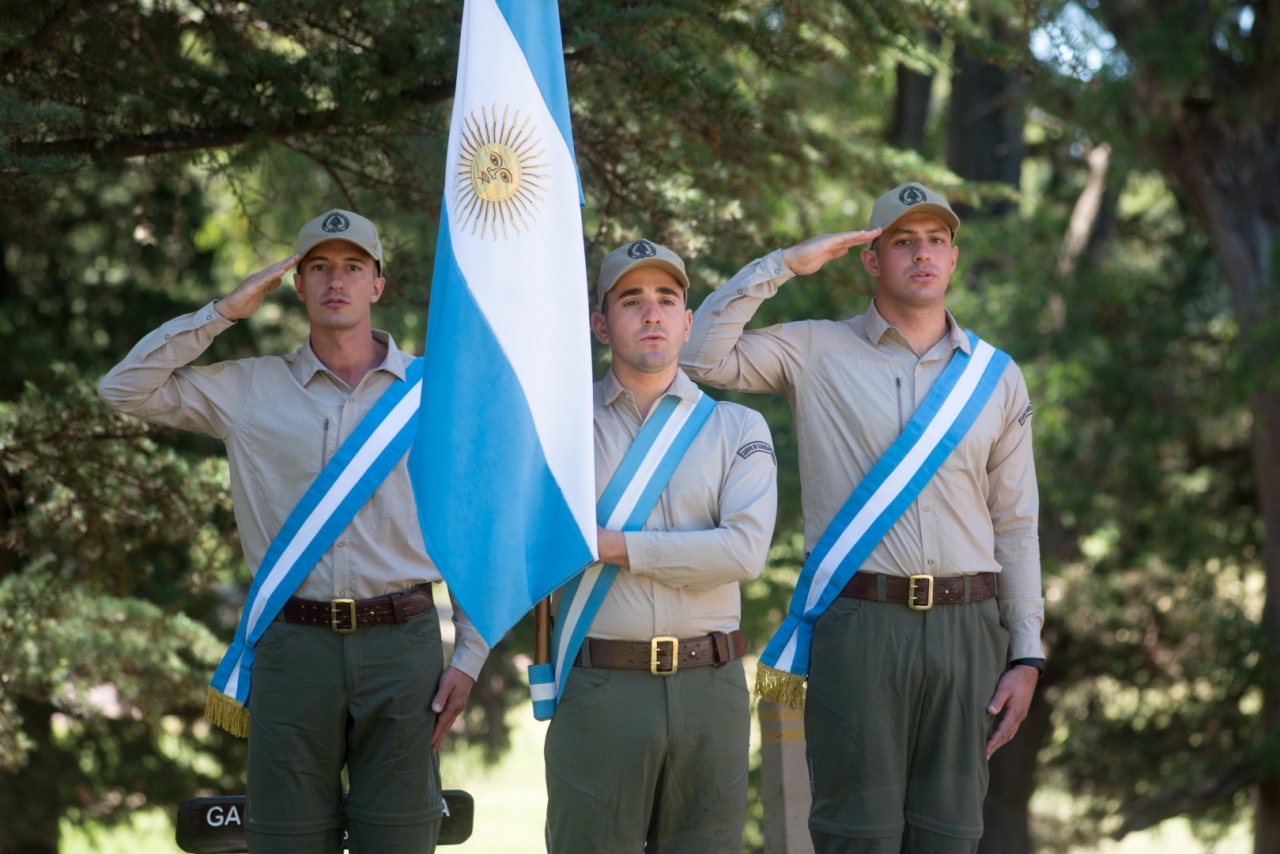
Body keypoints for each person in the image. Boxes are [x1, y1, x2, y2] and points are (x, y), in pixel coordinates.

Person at [98, 209, 489, 854]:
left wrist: (469, 655)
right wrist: (222, 312)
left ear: (377, 286)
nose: (336, 281)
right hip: (292, 648)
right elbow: (123, 389)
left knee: (399, 841)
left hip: (403, 647)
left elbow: (471, 532)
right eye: (318, 268)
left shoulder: (439, 391)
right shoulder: (248, 389)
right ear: (297, 285)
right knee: (286, 842)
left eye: (353, 267)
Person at [680, 183, 1045, 853]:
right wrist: (787, 263)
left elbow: (1016, 522)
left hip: (971, 631)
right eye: (903, 241)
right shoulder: (813, 349)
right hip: (862, 625)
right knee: (859, 838)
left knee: (951, 836)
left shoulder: (996, 376)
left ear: (955, 258)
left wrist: (1025, 650)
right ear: (871, 260)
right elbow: (699, 354)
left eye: (936, 240)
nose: (922, 254)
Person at [543, 239, 778, 853]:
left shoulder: (738, 427)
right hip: (600, 686)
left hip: (712, 688)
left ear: (687, 321)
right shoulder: (558, 429)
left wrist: (614, 545)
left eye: (666, 300)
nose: (651, 314)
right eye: (631, 301)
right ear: (601, 323)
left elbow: (744, 554)